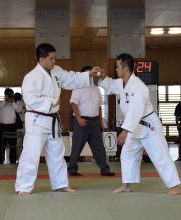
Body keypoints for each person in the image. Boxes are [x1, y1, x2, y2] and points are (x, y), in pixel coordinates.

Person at [15, 43, 103, 196]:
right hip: (37, 119)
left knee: (57, 153)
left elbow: (71, 78)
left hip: (52, 120)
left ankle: (60, 184)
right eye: (51, 58)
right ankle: (23, 187)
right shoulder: (31, 77)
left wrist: (88, 74)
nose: (54, 61)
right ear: (41, 59)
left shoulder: (56, 71)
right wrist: (51, 101)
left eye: (54, 58)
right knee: (31, 154)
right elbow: (29, 99)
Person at [98, 53, 180, 195]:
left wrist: (124, 131)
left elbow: (136, 111)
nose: (116, 69)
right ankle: (126, 185)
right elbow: (110, 85)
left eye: (117, 67)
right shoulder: (120, 83)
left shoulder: (138, 86)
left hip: (149, 126)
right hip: (135, 127)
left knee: (160, 155)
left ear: (125, 68)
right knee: (127, 154)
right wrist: (102, 76)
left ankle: (175, 186)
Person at [67, 65, 115, 176]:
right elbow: (74, 104)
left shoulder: (97, 88)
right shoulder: (78, 87)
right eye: (87, 73)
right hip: (82, 121)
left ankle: (105, 169)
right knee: (77, 146)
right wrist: (78, 119)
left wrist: (101, 122)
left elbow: (99, 106)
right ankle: (72, 169)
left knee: (99, 147)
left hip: (95, 122)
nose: (90, 75)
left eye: (91, 73)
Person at [0, 88, 23, 164]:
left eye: (10, 94)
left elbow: (19, 110)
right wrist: (5, 101)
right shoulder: (1, 103)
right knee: (1, 144)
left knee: (13, 145)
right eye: (7, 94)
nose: (9, 96)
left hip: (12, 127)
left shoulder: (15, 104)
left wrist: (12, 102)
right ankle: (0, 160)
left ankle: (12, 161)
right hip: (2, 126)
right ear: (5, 95)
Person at [14, 92, 26, 161]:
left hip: (19, 125)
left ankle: (19, 157)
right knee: (25, 142)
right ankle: (24, 157)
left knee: (18, 141)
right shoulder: (24, 104)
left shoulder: (15, 105)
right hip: (26, 125)